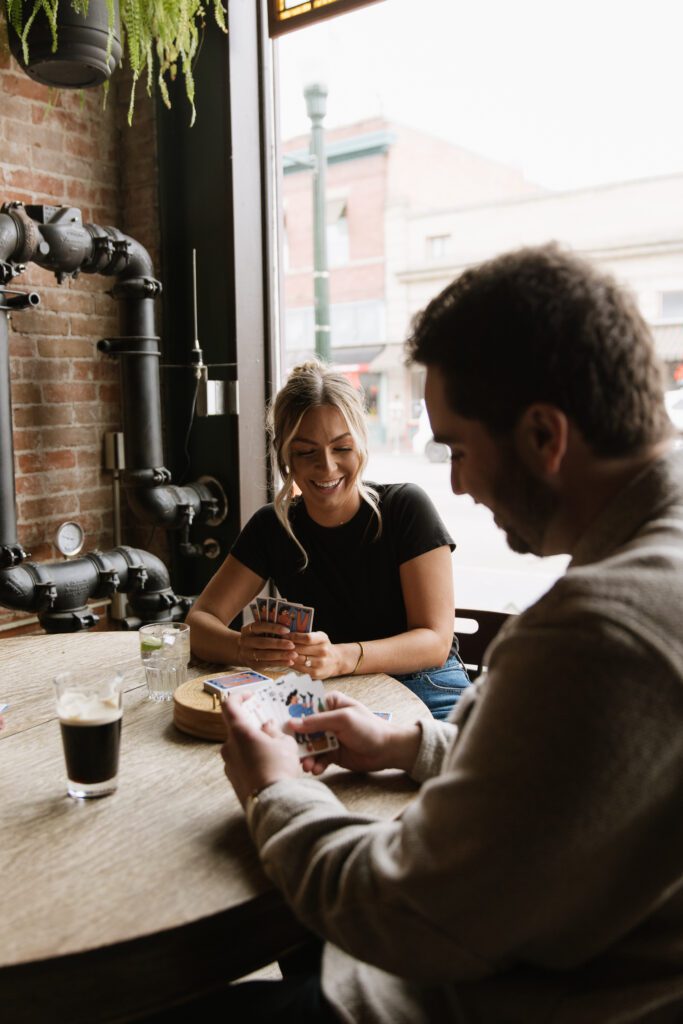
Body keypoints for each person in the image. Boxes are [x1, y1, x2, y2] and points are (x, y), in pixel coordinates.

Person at [214, 244, 683, 1023]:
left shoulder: (596, 633)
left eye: (458, 449)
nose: (457, 482)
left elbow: (403, 917)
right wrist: (410, 746)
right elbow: (575, 775)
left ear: (542, 437)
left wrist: (274, 788)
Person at [187, 361, 470, 719]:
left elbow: (434, 641)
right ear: (286, 457)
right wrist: (243, 648)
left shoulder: (406, 508)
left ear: (361, 446)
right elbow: (198, 623)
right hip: (325, 694)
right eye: (306, 452)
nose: (327, 466)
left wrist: (341, 657)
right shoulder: (271, 526)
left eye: (341, 448)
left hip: (426, 684)